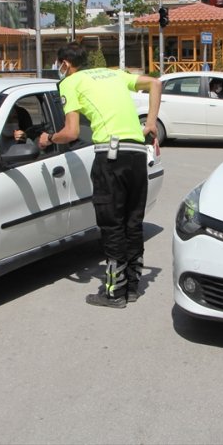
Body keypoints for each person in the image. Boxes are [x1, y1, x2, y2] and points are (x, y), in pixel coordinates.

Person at [38, 42, 162, 308]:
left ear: (65, 64)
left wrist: (49, 138)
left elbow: (71, 133)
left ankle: (114, 293)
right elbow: (155, 83)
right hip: (137, 153)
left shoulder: (70, 83)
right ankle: (131, 287)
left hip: (110, 156)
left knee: (112, 224)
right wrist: (150, 122)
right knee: (132, 222)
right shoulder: (113, 73)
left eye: (58, 64)